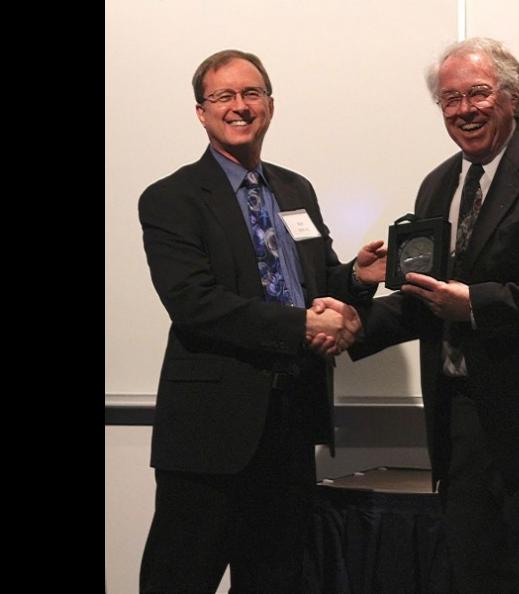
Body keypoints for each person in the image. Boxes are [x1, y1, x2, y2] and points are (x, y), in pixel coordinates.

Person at [347, 37, 519, 593]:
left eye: (478, 93)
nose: (464, 110)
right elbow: (426, 299)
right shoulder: (437, 183)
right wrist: (352, 320)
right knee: (475, 575)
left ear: (512, 96)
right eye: (450, 99)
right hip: (461, 424)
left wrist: (476, 305)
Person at [137, 49, 385, 593]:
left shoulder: (295, 190)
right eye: (223, 96)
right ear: (201, 112)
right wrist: (301, 326)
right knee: (179, 578)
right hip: (210, 434)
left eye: (251, 94)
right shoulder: (171, 198)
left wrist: (358, 279)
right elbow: (195, 303)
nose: (240, 106)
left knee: (277, 579)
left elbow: (312, 288)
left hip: (291, 421)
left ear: (270, 105)